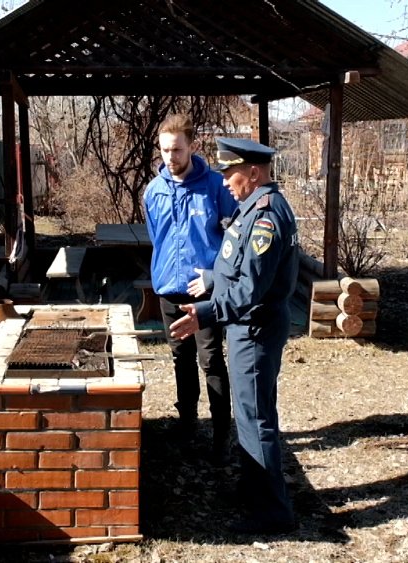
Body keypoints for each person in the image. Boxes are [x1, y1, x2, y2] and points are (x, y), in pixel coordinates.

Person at [169, 137, 299, 534]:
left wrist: (206, 313)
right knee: (249, 415)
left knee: (256, 419)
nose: (225, 181)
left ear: (254, 173)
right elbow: (242, 266)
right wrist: (213, 278)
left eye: (231, 173)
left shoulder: (266, 216)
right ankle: (253, 489)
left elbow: (251, 290)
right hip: (247, 326)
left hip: (255, 329)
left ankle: (272, 514)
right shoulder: (252, 207)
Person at [143, 115, 238, 464]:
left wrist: (215, 276)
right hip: (169, 288)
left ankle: (221, 433)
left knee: (210, 359)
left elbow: (235, 239)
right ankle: (187, 424)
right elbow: (157, 237)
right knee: (180, 358)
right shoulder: (153, 191)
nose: (171, 157)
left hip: (206, 292)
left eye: (177, 150)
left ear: (192, 147)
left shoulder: (215, 186)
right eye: (165, 150)